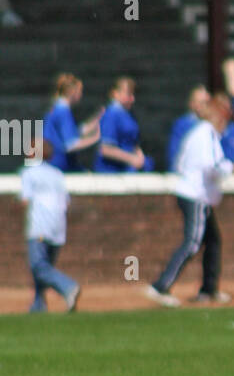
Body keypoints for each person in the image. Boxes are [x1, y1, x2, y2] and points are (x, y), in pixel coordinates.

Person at [145, 91, 234, 308]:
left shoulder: (203, 134)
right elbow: (212, 166)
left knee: (213, 241)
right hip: (195, 196)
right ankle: (160, 286)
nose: (226, 125)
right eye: (225, 119)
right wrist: (231, 168)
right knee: (193, 242)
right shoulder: (205, 133)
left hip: (200, 196)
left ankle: (209, 289)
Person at [18, 138, 80, 313]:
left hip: (40, 226)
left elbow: (25, 200)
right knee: (44, 268)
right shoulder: (57, 174)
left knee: (38, 267)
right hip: (58, 227)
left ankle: (68, 287)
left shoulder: (28, 173)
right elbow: (66, 202)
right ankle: (38, 305)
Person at [42, 73, 102, 172]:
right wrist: (95, 139)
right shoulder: (63, 111)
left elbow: (74, 132)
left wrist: (95, 121)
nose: (81, 95)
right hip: (58, 165)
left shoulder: (57, 108)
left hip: (55, 164)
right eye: (79, 91)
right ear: (71, 92)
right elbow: (70, 144)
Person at [93, 76, 154, 173]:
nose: (132, 99)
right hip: (112, 173)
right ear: (115, 94)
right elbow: (106, 149)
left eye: (133, 95)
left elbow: (133, 142)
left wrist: (140, 156)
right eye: (128, 94)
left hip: (129, 170)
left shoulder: (128, 115)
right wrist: (132, 159)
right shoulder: (111, 115)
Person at [166, 86, 211, 171]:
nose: (205, 106)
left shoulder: (213, 124)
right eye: (202, 103)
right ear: (192, 104)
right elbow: (175, 154)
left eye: (208, 103)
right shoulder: (182, 125)